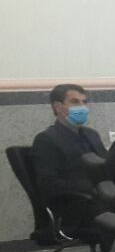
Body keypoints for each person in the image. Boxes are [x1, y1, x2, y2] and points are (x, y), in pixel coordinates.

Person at [31, 83, 109, 237]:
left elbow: (106, 166)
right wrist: (91, 188)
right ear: (58, 107)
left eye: (84, 102)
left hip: (102, 197)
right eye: (75, 102)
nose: (82, 107)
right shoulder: (46, 139)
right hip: (76, 206)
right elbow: (49, 184)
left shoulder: (91, 134)